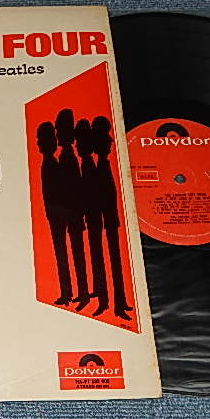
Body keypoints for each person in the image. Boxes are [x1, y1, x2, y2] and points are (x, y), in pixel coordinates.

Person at [92, 116, 132, 321]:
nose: (110, 140)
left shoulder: (105, 164)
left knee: (116, 261)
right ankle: (104, 302)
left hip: (111, 219)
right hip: (96, 220)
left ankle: (120, 303)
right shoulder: (91, 166)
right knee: (99, 259)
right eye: (105, 136)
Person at [53, 109, 90, 306]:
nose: (58, 134)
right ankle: (71, 293)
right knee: (70, 253)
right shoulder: (65, 156)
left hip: (71, 213)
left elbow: (76, 187)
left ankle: (81, 294)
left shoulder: (68, 157)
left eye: (61, 131)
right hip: (66, 213)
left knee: (76, 253)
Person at [36, 121, 74, 305]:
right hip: (55, 214)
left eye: (41, 140)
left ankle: (67, 293)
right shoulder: (49, 163)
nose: (38, 143)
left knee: (62, 253)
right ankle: (67, 292)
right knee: (61, 253)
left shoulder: (53, 164)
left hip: (59, 215)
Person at [75, 119, 109, 315]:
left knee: (98, 255)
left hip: (96, 217)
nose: (78, 146)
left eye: (81, 142)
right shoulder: (86, 164)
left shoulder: (93, 165)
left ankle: (103, 299)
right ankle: (96, 293)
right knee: (93, 255)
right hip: (87, 216)